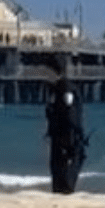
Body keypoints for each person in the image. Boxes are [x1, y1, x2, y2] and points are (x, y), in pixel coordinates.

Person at [43, 58, 88, 195]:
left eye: (47, 72)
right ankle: (60, 189)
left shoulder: (65, 88)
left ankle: (65, 189)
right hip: (61, 136)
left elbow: (70, 114)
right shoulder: (57, 88)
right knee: (57, 166)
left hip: (66, 137)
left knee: (64, 167)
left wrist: (70, 135)